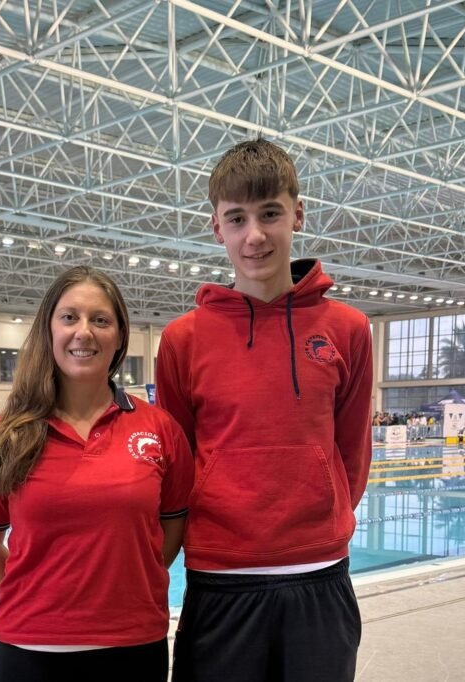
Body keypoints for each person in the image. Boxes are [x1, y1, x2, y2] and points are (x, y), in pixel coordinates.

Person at [156, 139, 373, 682]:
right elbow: (178, 464)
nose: (255, 235)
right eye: (237, 218)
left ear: (297, 214)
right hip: (221, 575)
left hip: (319, 572)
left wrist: (324, 516)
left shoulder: (346, 329)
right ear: (217, 228)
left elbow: (352, 451)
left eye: (269, 213)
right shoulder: (183, 340)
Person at [0, 266, 193, 682]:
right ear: (49, 329)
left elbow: (171, 532)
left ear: (119, 335)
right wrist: (37, 595)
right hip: (29, 649)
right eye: (69, 317)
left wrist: (126, 587)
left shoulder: (159, 429)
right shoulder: (5, 435)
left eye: (100, 320)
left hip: (133, 645)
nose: (83, 332)